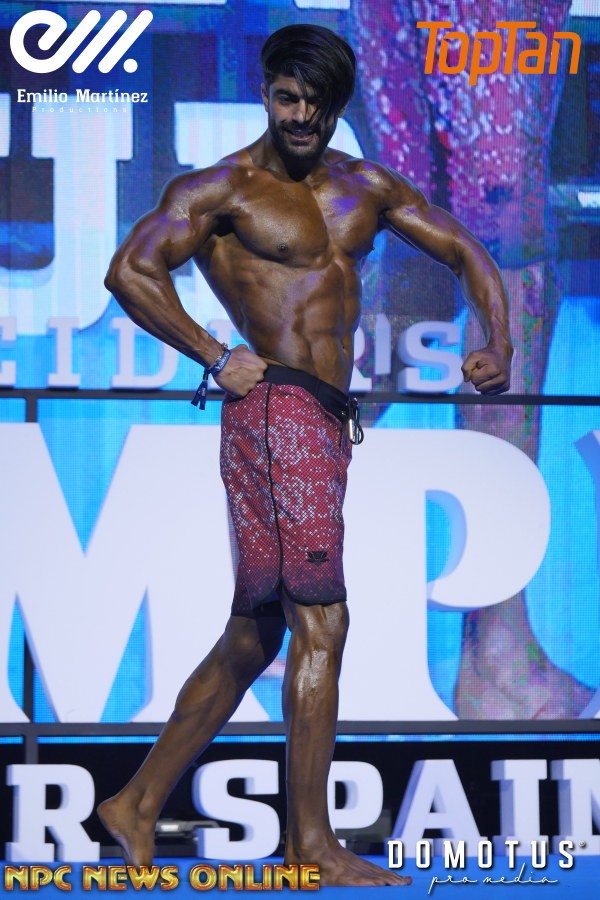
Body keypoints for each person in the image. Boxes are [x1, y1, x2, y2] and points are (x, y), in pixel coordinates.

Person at [97, 23, 512, 887]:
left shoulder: (366, 186)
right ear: (266, 93)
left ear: (335, 108)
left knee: (257, 632)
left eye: (315, 105)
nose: (299, 117)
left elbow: (465, 249)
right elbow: (130, 271)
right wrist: (214, 353)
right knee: (323, 621)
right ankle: (310, 845)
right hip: (275, 408)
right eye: (287, 98)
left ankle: (135, 804)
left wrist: (498, 340)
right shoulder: (221, 189)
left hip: (321, 419)